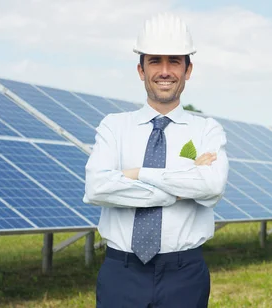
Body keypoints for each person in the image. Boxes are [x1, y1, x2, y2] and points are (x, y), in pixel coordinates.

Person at [83, 12, 229, 308]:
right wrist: (181, 184)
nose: (165, 71)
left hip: (184, 275)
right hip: (120, 274)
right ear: (140, 69)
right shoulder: (114, 126)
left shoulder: (207, 130)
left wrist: (135, 173)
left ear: (188, 70)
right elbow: (98, 188)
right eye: (155, 61)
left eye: (174, 61)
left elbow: (211, 187)